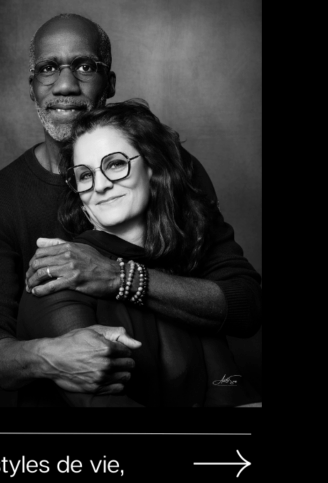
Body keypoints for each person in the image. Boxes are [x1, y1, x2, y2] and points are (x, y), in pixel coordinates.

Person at [0, 12, 261, 405]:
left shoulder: (172, 168)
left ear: (109, 83)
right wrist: (45, 357)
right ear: (32, 87)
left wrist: (121, 278)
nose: (65, 84)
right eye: (48, 69)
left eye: (86, 66)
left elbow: (244, 306)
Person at [17, 100, 261, 406]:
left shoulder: (184, 271)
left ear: (153, 167)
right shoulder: (59, 273)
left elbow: (227, 388)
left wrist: (126, 278)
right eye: (84, 175)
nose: (101, 185)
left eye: (116, 164)